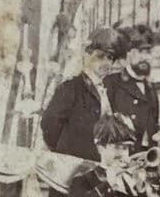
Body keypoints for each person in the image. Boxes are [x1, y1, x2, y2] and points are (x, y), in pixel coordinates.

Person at [40, 27, 121, 161]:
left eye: (110, 58)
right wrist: (65, 153)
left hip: (98, 164)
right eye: (100, 56)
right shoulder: (70, 88)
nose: (106, 63)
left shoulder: (108, 90)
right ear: (87, 54)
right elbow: (49, 125)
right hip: (74, 165)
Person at [104, 23, 160, 141]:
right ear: (128, 54)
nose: (144, 57)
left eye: (148, 52)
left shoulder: (151, 89)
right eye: (140, 51)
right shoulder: (111, 83)